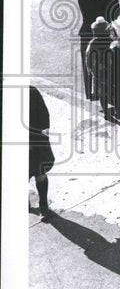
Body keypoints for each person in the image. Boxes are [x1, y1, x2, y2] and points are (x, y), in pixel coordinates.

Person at [77, 0, 120, 101]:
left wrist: (106, 22)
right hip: (89, 32)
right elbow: (88, 14)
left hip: (106, 30)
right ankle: (94, 94)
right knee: (91, 63)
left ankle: (109, 94)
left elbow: (116, 10)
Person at [28, 86, 56, 219]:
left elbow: (44, 117)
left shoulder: (32, 92)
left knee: (40, 173)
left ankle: (43, 206)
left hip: (35, 142)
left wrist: (40, 141)